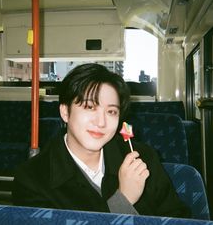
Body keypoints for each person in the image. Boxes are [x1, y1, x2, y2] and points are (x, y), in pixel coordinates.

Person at [12, 63, 191, 217]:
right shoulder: (31, 179)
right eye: (90, 107)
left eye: (111, 111)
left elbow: (177, 217)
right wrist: (122, 201)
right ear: (65, 112)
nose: (101, 122)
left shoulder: (142, 159)